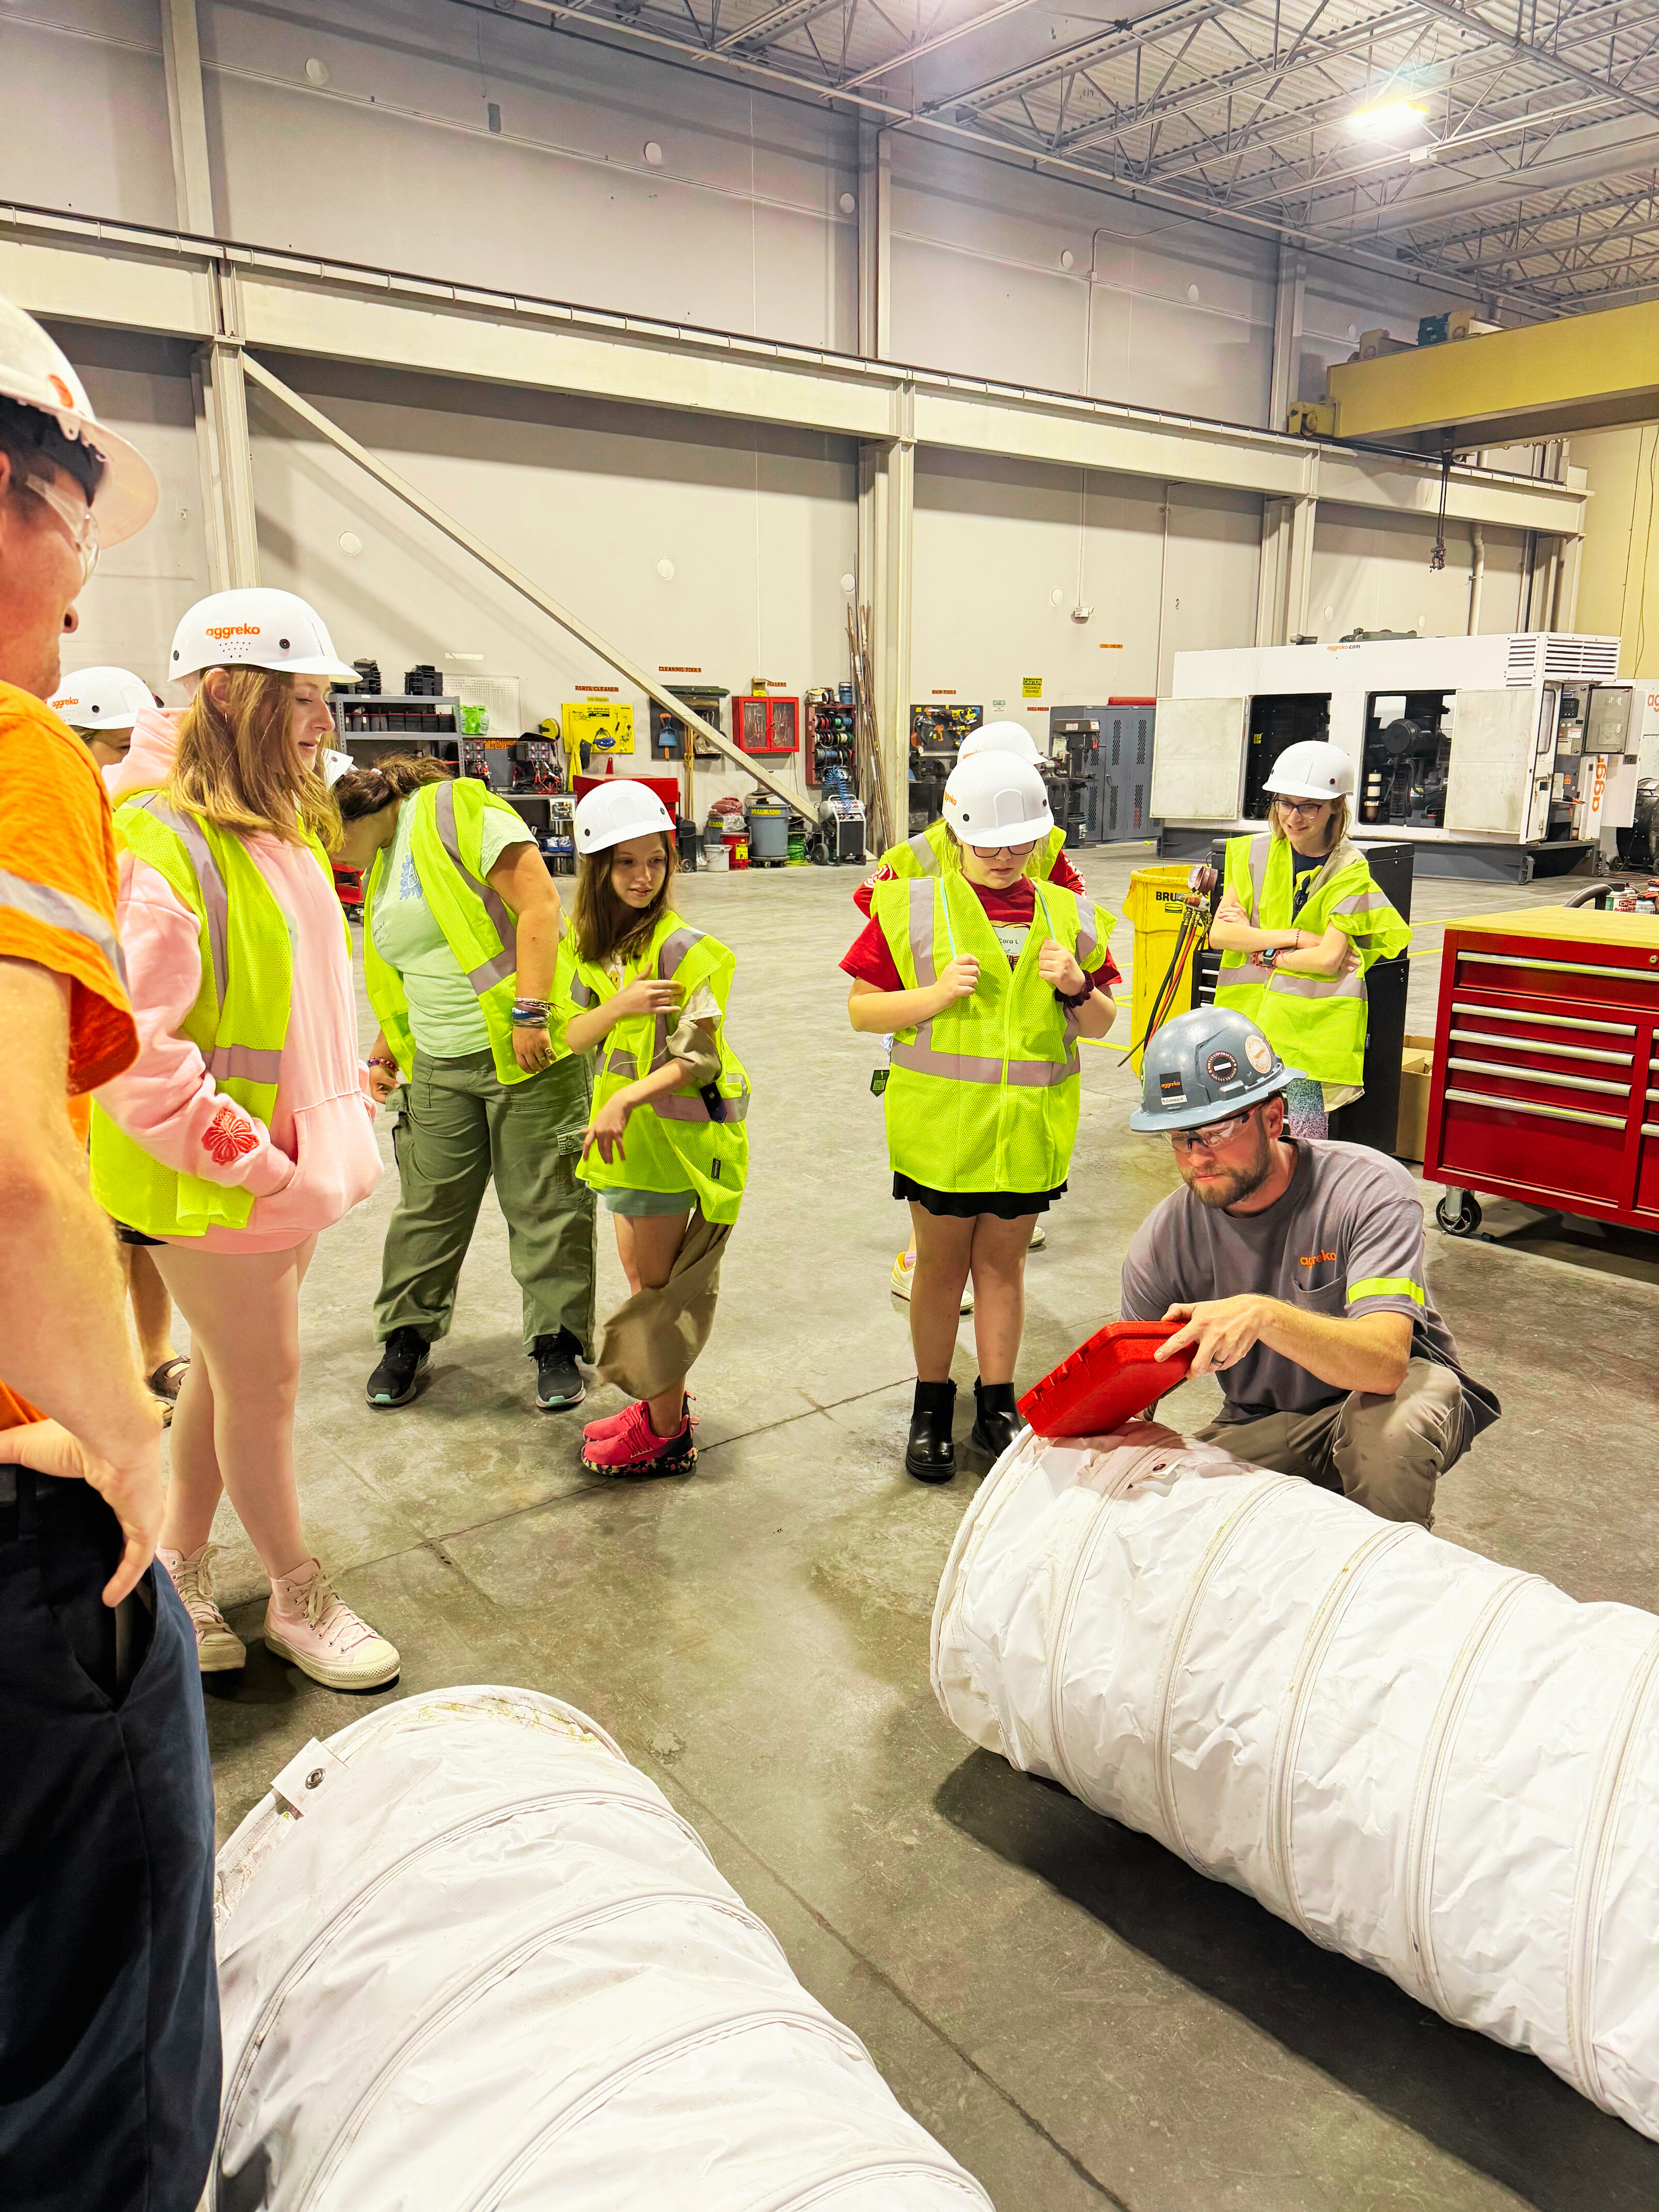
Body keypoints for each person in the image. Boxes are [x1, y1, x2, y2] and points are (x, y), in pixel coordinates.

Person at [0, 292, 219, 2212]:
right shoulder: (14, 748)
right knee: (95, 2073)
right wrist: (130, 1433)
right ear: (11, 499)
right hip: (12, 1534)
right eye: (81, 510)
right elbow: (13, 1164)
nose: (83, 578)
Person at [89, 586, 398, 1690]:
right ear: (227, 691)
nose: (323, 723)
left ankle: (177, 1565)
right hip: (216, 1187)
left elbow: (288, 999)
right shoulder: (157, 838)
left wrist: (341, 1090)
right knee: (263, 1390)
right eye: (304, 697)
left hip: (277, 1180)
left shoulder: (274, 828)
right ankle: (298, 1597)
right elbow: (137, 1051)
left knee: (228, 1381)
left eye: (324, 699)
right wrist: (259, 1161)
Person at [843, 752, 1119, 1482]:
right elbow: (860, 1009)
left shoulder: (1070, 914)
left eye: (1019, 842)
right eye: (988, 841)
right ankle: (930, 1403)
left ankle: (996, 1401)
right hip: (940, 1134)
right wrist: (931, 996)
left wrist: (1077, 985)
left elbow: (1100, 1024)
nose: (1003, 856)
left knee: (1002, 1271)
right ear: (956, 831)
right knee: (938, 1272)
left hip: (1028, 1135)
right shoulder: (911, 905)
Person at [1120, 1005, 1498, 1527]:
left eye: (1216, 1133)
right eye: (1182, 1139)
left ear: (1273, 1119)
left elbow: (1385, 1363)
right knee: (1178, 1508)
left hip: (1388, 1394)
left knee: (1387, 1438)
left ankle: (1387, 1588)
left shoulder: (1367, 1189)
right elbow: (1132, 1391)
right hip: (1271, 1420)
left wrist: (1263, 1316)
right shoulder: (1165, 1237)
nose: (1197, 1159)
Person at [332, 755, 595, 1412]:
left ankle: (555, 1342)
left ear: (354, 811)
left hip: (524, 1054)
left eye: (324, 833)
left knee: (547, 1205)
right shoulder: (382, 860)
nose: (327, 851)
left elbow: (539, 903)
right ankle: (406, 1337)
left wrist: (531, 1012)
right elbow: (421, 966)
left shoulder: (455, 809)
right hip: (439, 1064)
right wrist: (386, 1051)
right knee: (429, 1206)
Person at [556, 782, 750, 1478]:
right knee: (645, 1280)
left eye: (656, 862)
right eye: (627, 864)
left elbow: (699, 1057)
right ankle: (662, 1405)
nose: (644, 878)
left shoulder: (687, 950)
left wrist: (625, 1101)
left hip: (671, 1147)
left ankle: (666, 1436)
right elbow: (572, 1036)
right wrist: (622, 1007)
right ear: (598, 870)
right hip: (625, 1150)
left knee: (657, 1294)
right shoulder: (590, 950)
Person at [859, 722, 1089, 1301]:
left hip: (1021, 1004)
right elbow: (874, 903)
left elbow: (1077, 909)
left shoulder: (1047, 845)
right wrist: (927, 962)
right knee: (941, 1142)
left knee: (1004, 1120)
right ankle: (922, 1258)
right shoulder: (921, 851)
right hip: (943, 1008)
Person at [50, 666, 192, 1417]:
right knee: (87, 1228)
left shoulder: (134, 823)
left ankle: (152, 1354)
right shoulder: (47, 815)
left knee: (140, 1223)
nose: (130, 766)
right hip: (56, 1056)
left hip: (118, 1052)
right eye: (117, 749)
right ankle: (102, 1373)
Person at [1207, 740, 1410, 1139]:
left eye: (1309, 806)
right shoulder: (1251, 853)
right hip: (1247, 1016)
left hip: (1309, 1025)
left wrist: (1261, 952)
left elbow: (1327, 960)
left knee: (1305, 1133)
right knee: (1244, 1124)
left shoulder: (1349, 868)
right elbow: (1220, 935)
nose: (1293, 817)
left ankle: (1308, 1193)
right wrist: (1296, 938)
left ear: (1336, 805)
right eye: (1285, 803)